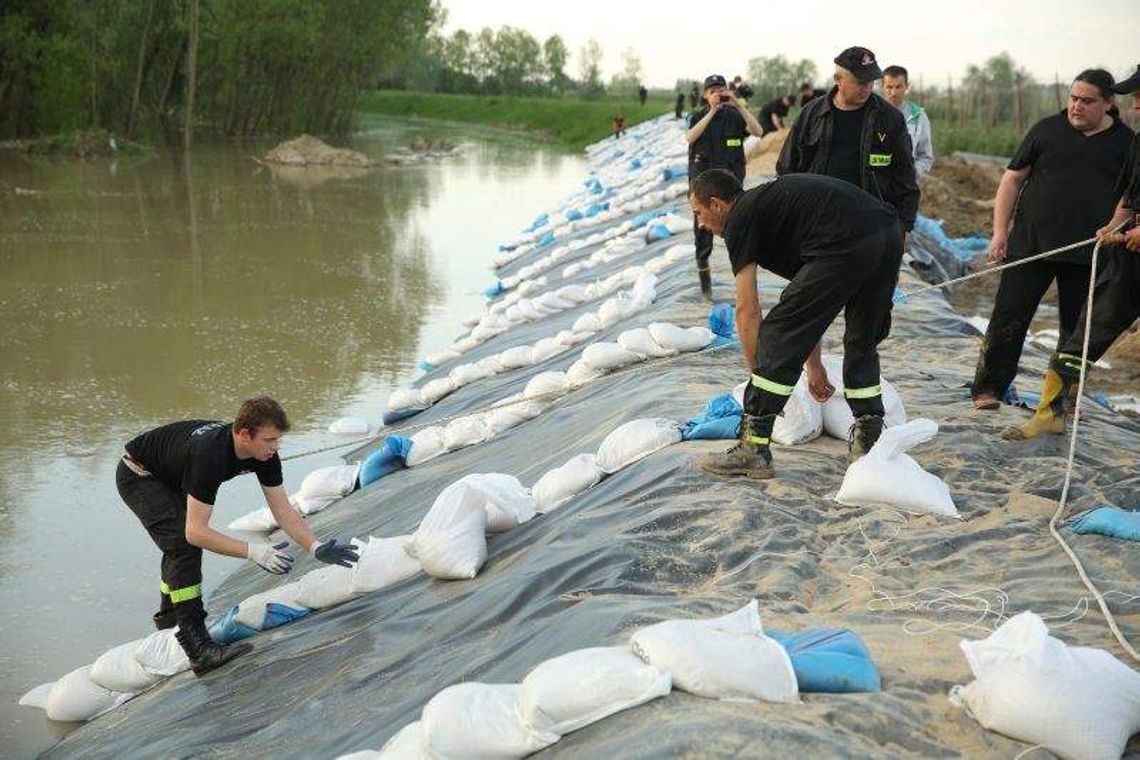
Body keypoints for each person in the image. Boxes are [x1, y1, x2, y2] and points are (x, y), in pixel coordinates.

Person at [117, 396, 359, 675]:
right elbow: (196, 533)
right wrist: (254, 551)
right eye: (270, 440)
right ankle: (197, 647)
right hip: (140, 474)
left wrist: (314, 547)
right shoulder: (209, 455)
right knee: (183, 545)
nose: (275, 447)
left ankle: (169, 616)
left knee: (177, 544)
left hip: (171, 473)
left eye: (278, 440)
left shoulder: (264, 455)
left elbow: (282, 510)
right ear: (244, 434)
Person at [689, 169, 904, 478]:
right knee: (861, 339)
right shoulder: (777, 212)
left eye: (698, 213)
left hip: (847, 238)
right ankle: (869, 445)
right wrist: (814, 367)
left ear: (717, 204)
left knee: (777, 332)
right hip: (886, 233)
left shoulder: (741, 219)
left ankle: (753, 447)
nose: (700, 224)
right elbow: (807, 309)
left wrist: (759, 384)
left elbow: (747, 310)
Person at [970, 69, 1132, 411]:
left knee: (1077, 333)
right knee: (1008, 318)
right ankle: (988, 388)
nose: (1076, 107)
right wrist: (1000, 232)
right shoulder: (1046, 130)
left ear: (1107, 103)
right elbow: (1011, 180)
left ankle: (1062, 399)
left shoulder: (1126, 143)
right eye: (1073, 98)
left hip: (1090, 253)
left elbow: (1132, 199)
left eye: (1087, 101)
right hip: (1031, 246)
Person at [777, 46, 920, 236]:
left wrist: (903, 228)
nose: (867, 88)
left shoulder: (890, 119)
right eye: (860, 82)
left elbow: (905, 177)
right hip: (816, 222)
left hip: (869, 227)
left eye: (871, 81)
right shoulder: (812, 115)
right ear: (838, 80)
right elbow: (787, 168)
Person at [686, 73, 764, 299]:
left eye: (721, 90)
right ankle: (706, 290)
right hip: (702, 189)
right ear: (704, 95)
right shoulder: (698, 116)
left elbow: (758, 132)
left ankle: (744, 290)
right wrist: (711, 111)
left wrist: (738, 105)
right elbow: (690, 138)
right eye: (713, 91)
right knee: (702, 237)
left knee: (739, 234)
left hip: (731, 190)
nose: (717, 95)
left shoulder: (734, 115)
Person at [881, 65, 935, 179]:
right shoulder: (873, 114)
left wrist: (912, 173)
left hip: (906, 188)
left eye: (898, 87)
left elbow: (926, 156)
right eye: (889, 87)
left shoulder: (918, 117)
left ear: (906, 86)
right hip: (877, 185)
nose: (893, 92)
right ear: (883, 87)